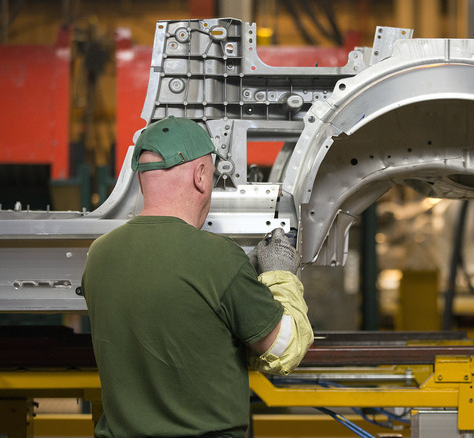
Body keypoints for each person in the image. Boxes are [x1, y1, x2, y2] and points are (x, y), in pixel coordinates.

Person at [82, 116, 313, 438]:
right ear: (202, 176)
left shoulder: (99, 254)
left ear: (141, 178)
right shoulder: (217, 256)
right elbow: (285, 347)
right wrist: (279, 272)